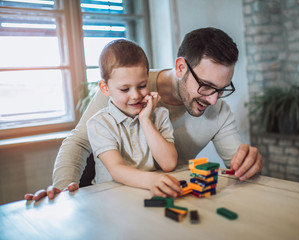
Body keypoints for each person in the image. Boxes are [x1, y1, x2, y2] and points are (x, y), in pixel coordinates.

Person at [25, 27, 263, 201]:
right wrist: (64, 190)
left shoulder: (217, 110)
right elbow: (79, 141)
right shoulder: (127, 87)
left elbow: (238, 166)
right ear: (181, 67)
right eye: (206, 86)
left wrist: (249, 164)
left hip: (163, 199)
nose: (213, 100)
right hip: (114, 199)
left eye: (222, 90)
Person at [89, 39, 180, 197]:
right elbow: (117, 169)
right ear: (105, 88)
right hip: (111, 197)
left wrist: (145, 120)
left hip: (147, 194)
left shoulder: (160, 114)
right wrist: (152, 180)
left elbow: (168, 163)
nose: (136, 95)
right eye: (125, 89)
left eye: (142, 86)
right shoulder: (99, 123)